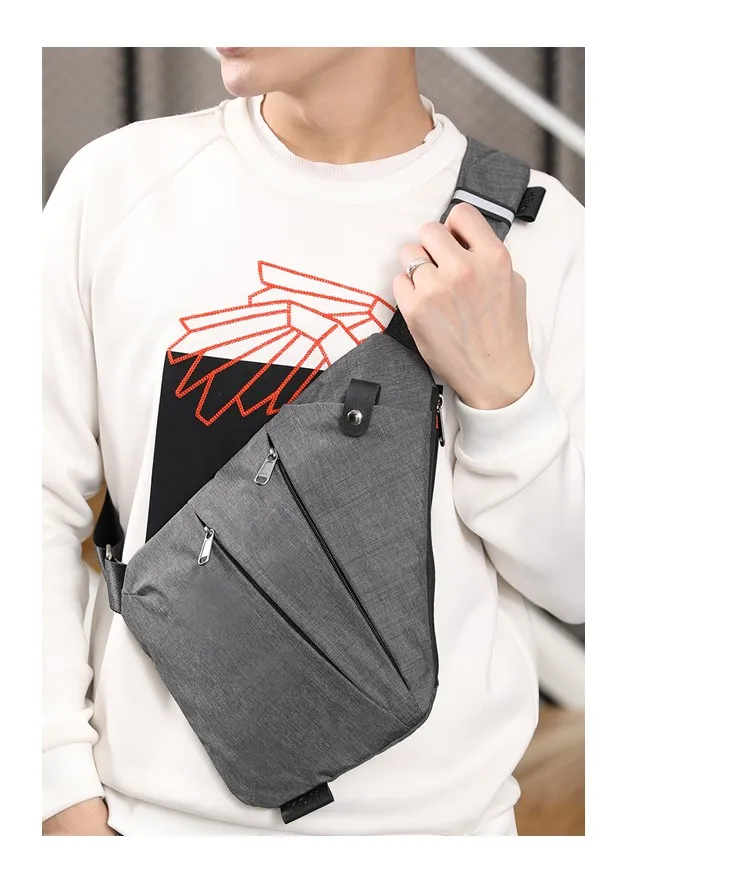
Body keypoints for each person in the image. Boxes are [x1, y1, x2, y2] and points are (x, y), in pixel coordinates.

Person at [42, 47, 584, 836]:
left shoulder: (543, 235)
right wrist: (54, 796)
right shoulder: (118, 187)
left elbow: (585, 584)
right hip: (142, 829)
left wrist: (504, 397)